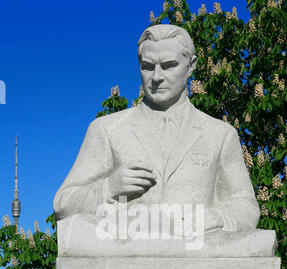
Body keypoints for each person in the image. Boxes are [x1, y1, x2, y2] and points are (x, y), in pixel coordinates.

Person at [54, 24, 259, 234]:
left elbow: (247, 207)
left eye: (169, 65)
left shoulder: (220, 134)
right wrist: (108, 187)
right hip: (127, 252)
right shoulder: (106, 129)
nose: (156, 77)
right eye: (147, 66)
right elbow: (63, 204)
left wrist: (217, 217)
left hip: (196, 253)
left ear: (191, 66)